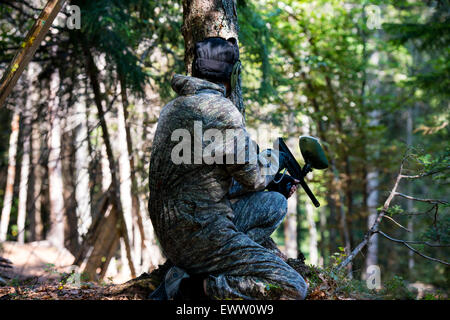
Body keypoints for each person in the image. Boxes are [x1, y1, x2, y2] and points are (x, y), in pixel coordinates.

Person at [148, 37, 308, 300]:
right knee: (293, 287)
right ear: (233, 74)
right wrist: (274, 158)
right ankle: (190, 289)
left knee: (275, 203)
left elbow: (203, 179)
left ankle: (186, 274)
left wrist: (272, 184)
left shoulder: (172, 109)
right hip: (202, 233)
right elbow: (255, 177)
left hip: (171, 232)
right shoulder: (221, 111)